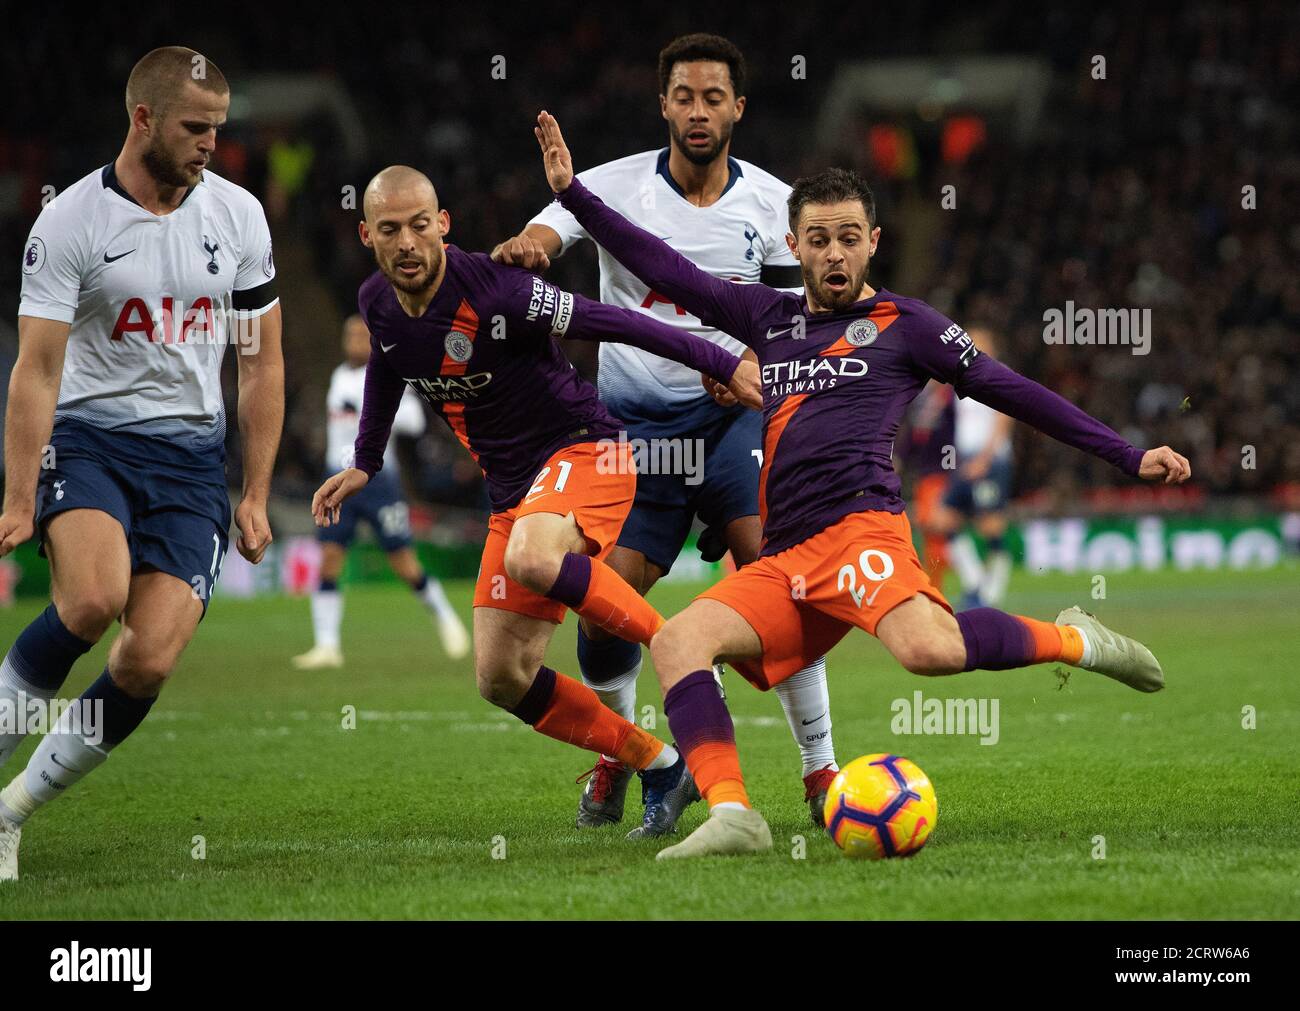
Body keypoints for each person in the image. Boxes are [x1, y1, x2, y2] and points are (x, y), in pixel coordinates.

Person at [530, 110, 1191, 859]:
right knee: (681, 639)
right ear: (794, 246)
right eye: (818, 240)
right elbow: (664, 267)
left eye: (849, 237)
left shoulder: (906, 324)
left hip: (860, 534)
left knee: (929, 653)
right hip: (786, 559)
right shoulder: (764, 317)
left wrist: (1127, 456)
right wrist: (575, 199)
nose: (835, 253)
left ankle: (1077, 639)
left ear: (874, 241)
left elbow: (1012, 391)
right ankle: (735, 813)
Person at [311, 165, 761, 839]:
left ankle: (672, 640)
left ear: (443, 224)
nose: (406, 242)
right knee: (500, 674)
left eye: (417, 225)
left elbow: (615, 322)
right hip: (514, 489)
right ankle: (660, 764)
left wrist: (723, 362)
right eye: (389, 229)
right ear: (366, 233)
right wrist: (365, 461)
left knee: (531, 555)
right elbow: (388, 359)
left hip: (590, 450)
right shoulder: (377, 301)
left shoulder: (501, 293)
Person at [493, 33, 839, 831]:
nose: (697, 111)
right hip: (633, 434)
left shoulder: (773, 207)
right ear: (663, 104)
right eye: (683, 96)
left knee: (781, 577)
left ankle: (820, 771)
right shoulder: (609, 186)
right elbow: (546, 232)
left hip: (732, 427)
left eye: (713, 97)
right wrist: (528, 250)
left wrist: (746, 366)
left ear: (738, 109)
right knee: (602, 606)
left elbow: (793, 330)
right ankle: (626, 750)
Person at [0, 47, 284, 880]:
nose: (211, 144)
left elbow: (260, 362)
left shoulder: (237, 218)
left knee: (148, 657)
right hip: (90, 439)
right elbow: (38, 369)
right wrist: (19, 497)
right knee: (91, 599)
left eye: (219, 130)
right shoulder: (70, 223)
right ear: (144, 120)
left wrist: (256, 490)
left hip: (192, 461)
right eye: (196, 128)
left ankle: (11, 812)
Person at [293, 314, 470, 669]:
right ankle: (327, 646)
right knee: (329, 559)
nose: (356, 341)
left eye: (362, 335)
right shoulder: (339, 375)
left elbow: (415, 422)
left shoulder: (386, 375)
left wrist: (364, 411)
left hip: (377, 481)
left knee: (403, 561)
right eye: (350, 335)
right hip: (336, 478)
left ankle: (446, 618)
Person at [931, 327, 1015, 608]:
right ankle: (975, 582)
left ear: (991, 345)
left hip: (989, 460)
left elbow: (1005, 418)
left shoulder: (997, 372)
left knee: (990, 525)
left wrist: (985, 459)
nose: (972, 345)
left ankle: (991, 593)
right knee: (943, 520)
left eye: (979, 341)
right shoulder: (961, 376)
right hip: (965, 459)